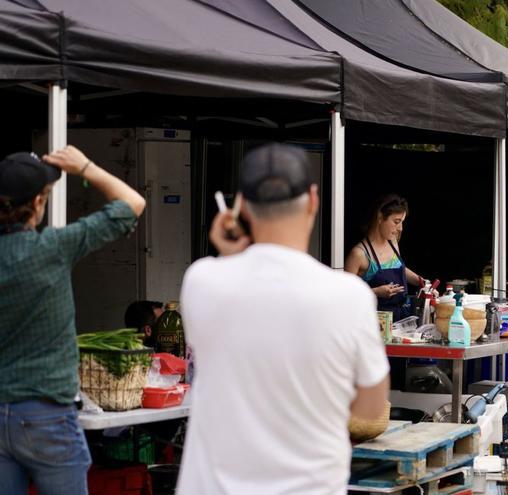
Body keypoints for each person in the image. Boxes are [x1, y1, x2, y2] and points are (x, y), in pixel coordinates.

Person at [176, 143, 390, 495]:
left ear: (240, 206)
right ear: (313, 200)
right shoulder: (349, 296)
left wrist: (235, 253)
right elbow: (370, 408)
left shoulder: (202, 281)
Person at [0, 147, 145, 495]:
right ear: (37, 203)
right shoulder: (54, 247)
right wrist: (85, 167)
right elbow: (132, 203)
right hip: (47, 413)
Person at [344, 194, 433, 320]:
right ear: (380, 217)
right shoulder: (359, 254)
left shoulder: (393, 242)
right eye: (396, 222)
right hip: (374, 323)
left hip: (402, 319)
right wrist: (376, 292)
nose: (400, 228)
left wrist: (423, 283)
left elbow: (399, 268)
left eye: (402, 222)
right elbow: (345, 295)